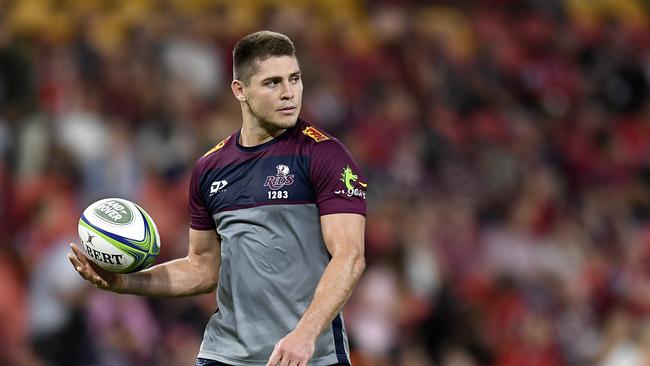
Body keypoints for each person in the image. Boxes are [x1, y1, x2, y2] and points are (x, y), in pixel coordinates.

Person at [68, 30, 367, 366]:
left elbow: (350, 257)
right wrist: (125, 282)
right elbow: (202, 269)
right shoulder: (210, 168)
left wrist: (305, 334)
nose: (289, 93)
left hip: (309, 355)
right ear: (240, 90)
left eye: (294, 79)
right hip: (224, 355)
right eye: (272, 83)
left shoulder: (325, 155)